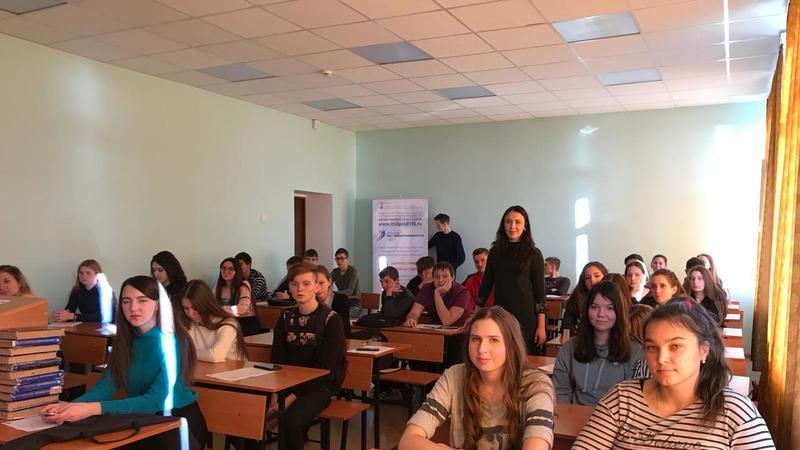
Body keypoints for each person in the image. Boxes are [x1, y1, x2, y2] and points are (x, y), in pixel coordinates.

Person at [572, 298, 775, 449]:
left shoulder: (735, 411)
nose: (661, 358)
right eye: (652, 347)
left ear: (704, 350)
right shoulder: (622, 398)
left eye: (675, 346)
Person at [42, 276, 207, 450]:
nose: (133, 308)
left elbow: (155, 401)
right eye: (126, 301)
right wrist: (69, 407)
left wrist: (90, 409)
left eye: (142, 300)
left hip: (177, 426)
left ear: (158, 304)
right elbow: (106, 387)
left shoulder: (174, 342)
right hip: (142, 419)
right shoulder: (125, 340)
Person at [398, 306, 554, 450]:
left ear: (511, 344)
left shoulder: (536, 385)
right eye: (475, 339)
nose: (482, 349)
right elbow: (407, 441)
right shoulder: (454, 376)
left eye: (493, 340)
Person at [270, 263, 346, 449]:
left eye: (306, 284)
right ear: (289, 287)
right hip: (287, 383)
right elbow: (277, 360)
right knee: (245, 411)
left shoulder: (331, 320)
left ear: (316, 287)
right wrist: (275, 393)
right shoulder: (285, 317)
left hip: (319, 386)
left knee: (290, 420)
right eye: (294, 284)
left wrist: (289, 399)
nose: (300, 289)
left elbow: (324, 368)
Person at [553, 281, 642, 406]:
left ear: (619, 311)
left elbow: (634, 402)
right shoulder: (569, 348)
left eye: (609, 308)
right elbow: (561, 392)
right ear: (586, 310)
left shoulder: (636, 352)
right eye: (594, 307)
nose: (601, 314)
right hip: (574, 414)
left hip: (616, 417)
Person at [478, 206, 547, 354]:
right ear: (503, 225)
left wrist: (541, 327)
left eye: (517, 222)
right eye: (508, 222)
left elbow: (540, 293)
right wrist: (474, 317)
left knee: (525, 359)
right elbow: (485, 286)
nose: (512, 226)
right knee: (501, 356)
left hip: (526, 317)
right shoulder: (495, 252)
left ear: (525, 225)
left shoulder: (534, 254)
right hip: (501, 315)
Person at [178, 279, 247, 363]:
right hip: (205, 369)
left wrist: (187, 353)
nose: (190, 313)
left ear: (206, 304)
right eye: (186, 308)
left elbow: (216, 356)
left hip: (233, 370)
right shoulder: (188, 323)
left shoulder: (228, 324)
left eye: (195, 308)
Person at [404, 262, 471, 328]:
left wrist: (437, 293)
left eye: (445, 276)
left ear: (452, 278)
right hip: (436, 330)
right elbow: (414, 312)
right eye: (436, 277)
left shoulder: (462, 292)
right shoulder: (426, 288)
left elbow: (447, 321)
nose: (440, 280)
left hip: (459, 331)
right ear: (433, 278)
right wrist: (411, 319)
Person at [561, 262, 608, 335]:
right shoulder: (577, 297)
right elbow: (566, 325)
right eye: (587, 278)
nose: (592, 280)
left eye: (597, 276)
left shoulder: (612, 297)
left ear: (605, 277)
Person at [214, 258, 258, 336]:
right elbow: (211, 304)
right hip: (227, 321)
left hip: (244, 322)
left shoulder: (243, 285)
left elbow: (243, 308)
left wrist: (222, 309)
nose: (226, 272)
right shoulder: (218, 287)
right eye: (223, 269)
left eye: (230, 269)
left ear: (237, 272)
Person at [314, 265, 351, 338]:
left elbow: (345, 331)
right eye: (314, 283)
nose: (317, 288)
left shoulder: (341, 300)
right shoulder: (310, 301)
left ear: (329, 282)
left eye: (321, 283)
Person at [330, 248, 361, 317]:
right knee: (329, 314)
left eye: (342, 258)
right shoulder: (335, 272)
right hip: (341, 303)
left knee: (339, 315)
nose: (339, 261)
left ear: (347, 259)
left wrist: (334, 293)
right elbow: (327, 284)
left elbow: (349, 292)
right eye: (337, 259)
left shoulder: (353, 271)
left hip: (353, 305)